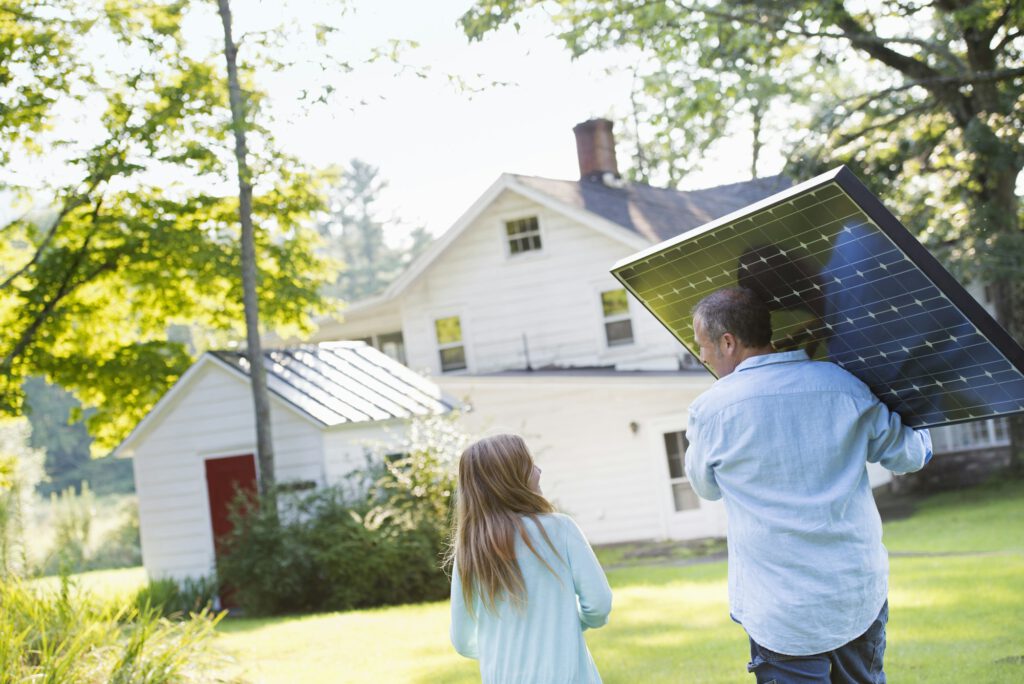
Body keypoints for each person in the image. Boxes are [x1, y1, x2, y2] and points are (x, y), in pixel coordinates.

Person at [685, 287, 932, 684]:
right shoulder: (844, 385)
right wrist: (925, 408)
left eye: (702, 346)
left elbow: (706, 487)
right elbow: (909, 456)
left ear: (727, 342)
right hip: (853, 593)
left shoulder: (711, 411)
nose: (701, 356)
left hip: (779, 608)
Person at [448, 434, 612, 684]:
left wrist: (507, 651)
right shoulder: (560, 529)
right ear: (512, 479)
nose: (539, 471)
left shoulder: (470, 549)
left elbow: (462, 640)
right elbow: (598, 604)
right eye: (531, 465)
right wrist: (571, 624)